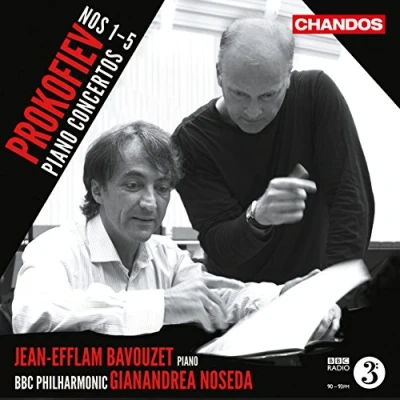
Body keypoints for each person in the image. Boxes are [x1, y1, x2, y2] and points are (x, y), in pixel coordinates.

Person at [12, 121, 340, 340]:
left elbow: (219, 296)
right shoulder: (55, 248)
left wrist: (281, 298)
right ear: (98, 190)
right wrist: (163, 305)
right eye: (133, 185)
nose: (150, 203)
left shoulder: (168, 255)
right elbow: (32, 317)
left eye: (162, 188)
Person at [171, 16, 375, 285]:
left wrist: (332, 290)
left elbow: (350, 201)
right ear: (219, 73)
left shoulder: (315, 95)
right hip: (238, 297)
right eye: (239, 94)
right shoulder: (190, 141)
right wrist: (258, 217)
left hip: (315, 286)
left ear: (288, 77)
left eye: (268, 95)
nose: (253, 111)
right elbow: (220, 247)